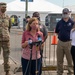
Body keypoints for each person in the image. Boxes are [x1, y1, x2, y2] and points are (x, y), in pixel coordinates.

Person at [55, 8, 74, 75]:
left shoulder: (72, 22)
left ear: (68, 13)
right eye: (64, 13)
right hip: (60, 42)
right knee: (59, 59)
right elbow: (57, 32)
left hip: (69, 42)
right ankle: (59, 72)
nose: (65, 14)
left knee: (69, 59)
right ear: (62, 13)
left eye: (66, 13)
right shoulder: (59, 23)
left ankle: (70, 72)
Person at [0, 2, 11, 75]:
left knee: (7, 56)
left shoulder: (8, 17)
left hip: (6, 40)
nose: (4, 8)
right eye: (3, 7)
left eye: (5, 7)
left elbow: (9, 27)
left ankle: (7, 71)